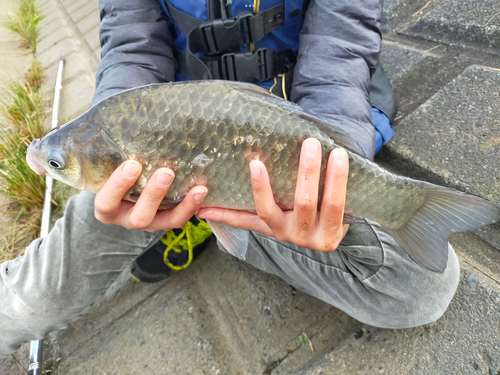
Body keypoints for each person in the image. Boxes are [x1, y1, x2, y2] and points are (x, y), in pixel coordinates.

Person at [0, 0, 460, 360]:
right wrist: (124, 123)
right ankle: (195, 213)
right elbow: (131, 44)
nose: (51, 167)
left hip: (296, 124)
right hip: (168, 140)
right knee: (34, 297)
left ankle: (220, 218)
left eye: (56, 164)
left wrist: (329, 175)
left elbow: (342, 41)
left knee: (423, 285)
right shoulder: (114, 152)